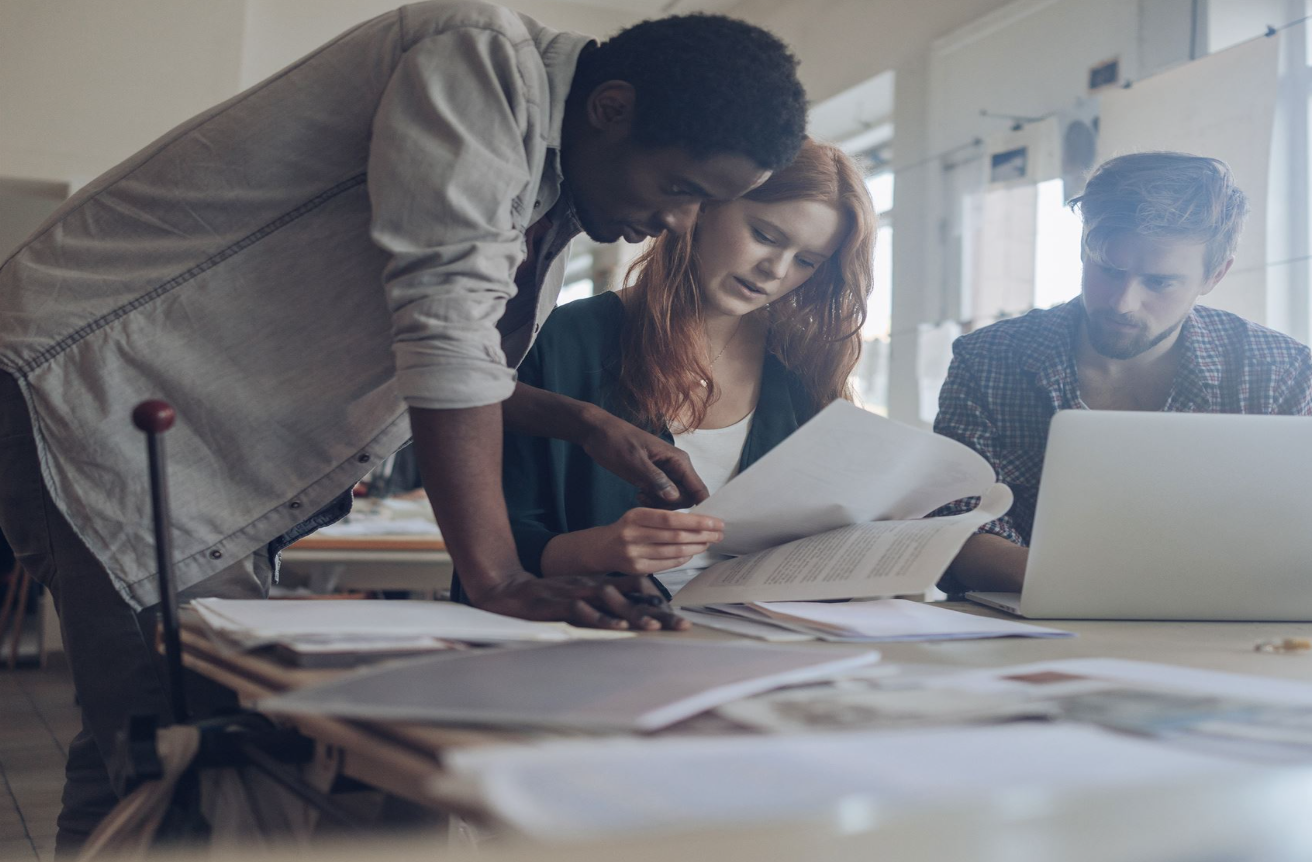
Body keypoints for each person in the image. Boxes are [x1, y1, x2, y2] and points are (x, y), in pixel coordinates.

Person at [0, 1, 806, 850]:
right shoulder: (481, 62)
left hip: (172, 427)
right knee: (206, 763)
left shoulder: (561, 177)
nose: (679, 221)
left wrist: (582, 423)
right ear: (610, 109)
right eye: (681, 188)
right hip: (91, 391)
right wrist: (496, 578)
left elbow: (462, 362)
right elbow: (443, 330)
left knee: (150, 745)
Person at [465, 139, 874, 601]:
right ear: (704, 208)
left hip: (765, 638)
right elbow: (484, 552)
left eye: (806, 262)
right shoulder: (557, 343)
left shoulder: (800, 370)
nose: (775, 271)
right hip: (601, 641)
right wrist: (594, 551)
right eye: (764, 235)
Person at [933, 152, 1312, 595]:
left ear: (1214, 275)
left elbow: (1307, 535)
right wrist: (1123, 584)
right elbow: (951, 529)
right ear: (1085, 248)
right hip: (1025, 630)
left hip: (1221, 631)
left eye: (1159, 282)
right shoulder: (988, 358)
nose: (1122, 302)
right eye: (1109, 269)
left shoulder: (1277, 369)